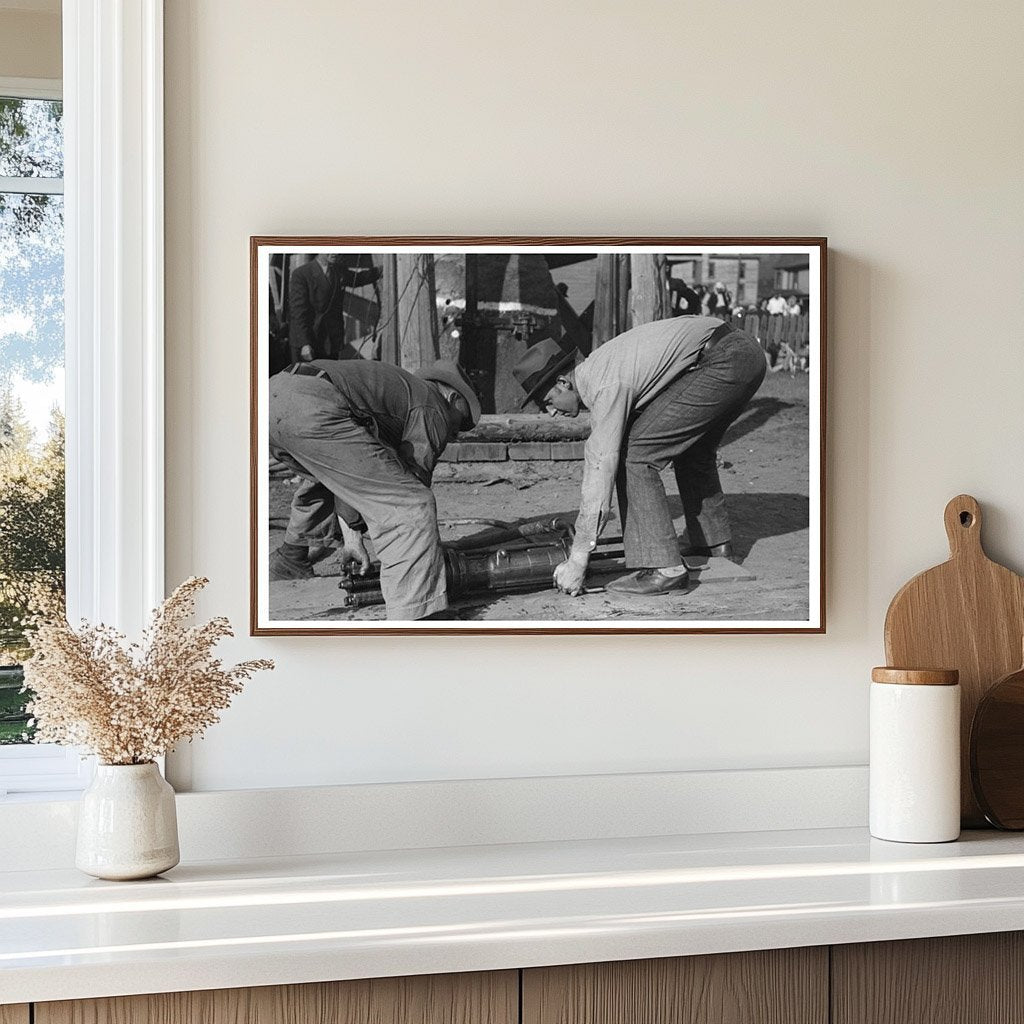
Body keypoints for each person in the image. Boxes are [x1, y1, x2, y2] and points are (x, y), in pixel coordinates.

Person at [513, 316, 766, 597]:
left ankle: (665, 569)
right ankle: (712, 545)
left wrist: (578, 557)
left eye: (547, 401)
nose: (550, 412)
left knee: (635, 452)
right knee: (693, 450)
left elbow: (601, 467)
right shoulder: (601, 367)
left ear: (563, 382)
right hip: (745, 354)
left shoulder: (605, 384)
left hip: (724, 359)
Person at [268, 359, 481, 620]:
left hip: (274, 395)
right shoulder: (432, 405)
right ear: (453, 398)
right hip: (315, 408)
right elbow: (409, 484)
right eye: (458, 425)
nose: (453, 435)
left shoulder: (400, 388)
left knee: (326, 477)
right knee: (411, 505)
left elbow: (351, 479)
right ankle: (417, 615)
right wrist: (425, 551)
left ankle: (291, 559)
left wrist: (353, 540)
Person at [288, 254, 381, 362]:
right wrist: (304, 344)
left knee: (328, 376)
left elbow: (358, 279)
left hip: (330, 343)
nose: (334, 252)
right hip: (309, 342)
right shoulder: (301, 274)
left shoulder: (338, 271)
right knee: (307, 378)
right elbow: (298, 313)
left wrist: (379, 271)